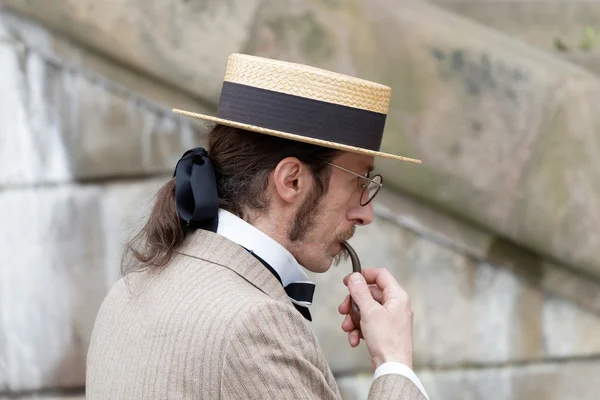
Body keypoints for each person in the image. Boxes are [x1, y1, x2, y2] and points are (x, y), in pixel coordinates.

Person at [86, 53, 429, 399]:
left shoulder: (126, 292)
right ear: (292, 180)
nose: (365, 214)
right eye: (359, 182)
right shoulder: (256, 325)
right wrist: (394, 360)